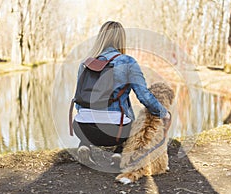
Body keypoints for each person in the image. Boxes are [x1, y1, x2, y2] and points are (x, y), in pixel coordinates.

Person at [72, 21, 171, 166]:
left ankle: (84, 145)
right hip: (116, 132)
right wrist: (164, 113)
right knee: (133, 124)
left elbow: (79, 102)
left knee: (86, 115)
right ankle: (119, 153)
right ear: (121, 39)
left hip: (83, 128)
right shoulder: (127, 62)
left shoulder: (86, 63)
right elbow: (144, 96)